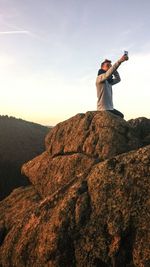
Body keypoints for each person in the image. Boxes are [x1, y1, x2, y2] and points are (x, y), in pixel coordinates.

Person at [96, 54, 128, 118]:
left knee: (121, 116)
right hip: (103, 109)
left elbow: (118, 79)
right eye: (107, 66)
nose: (109, 67)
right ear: (102, 68)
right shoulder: (99, 78)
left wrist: (114, 70)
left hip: (110, 108)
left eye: (110, 66)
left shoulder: (109, 81)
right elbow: (107, 74)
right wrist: (120, 61)